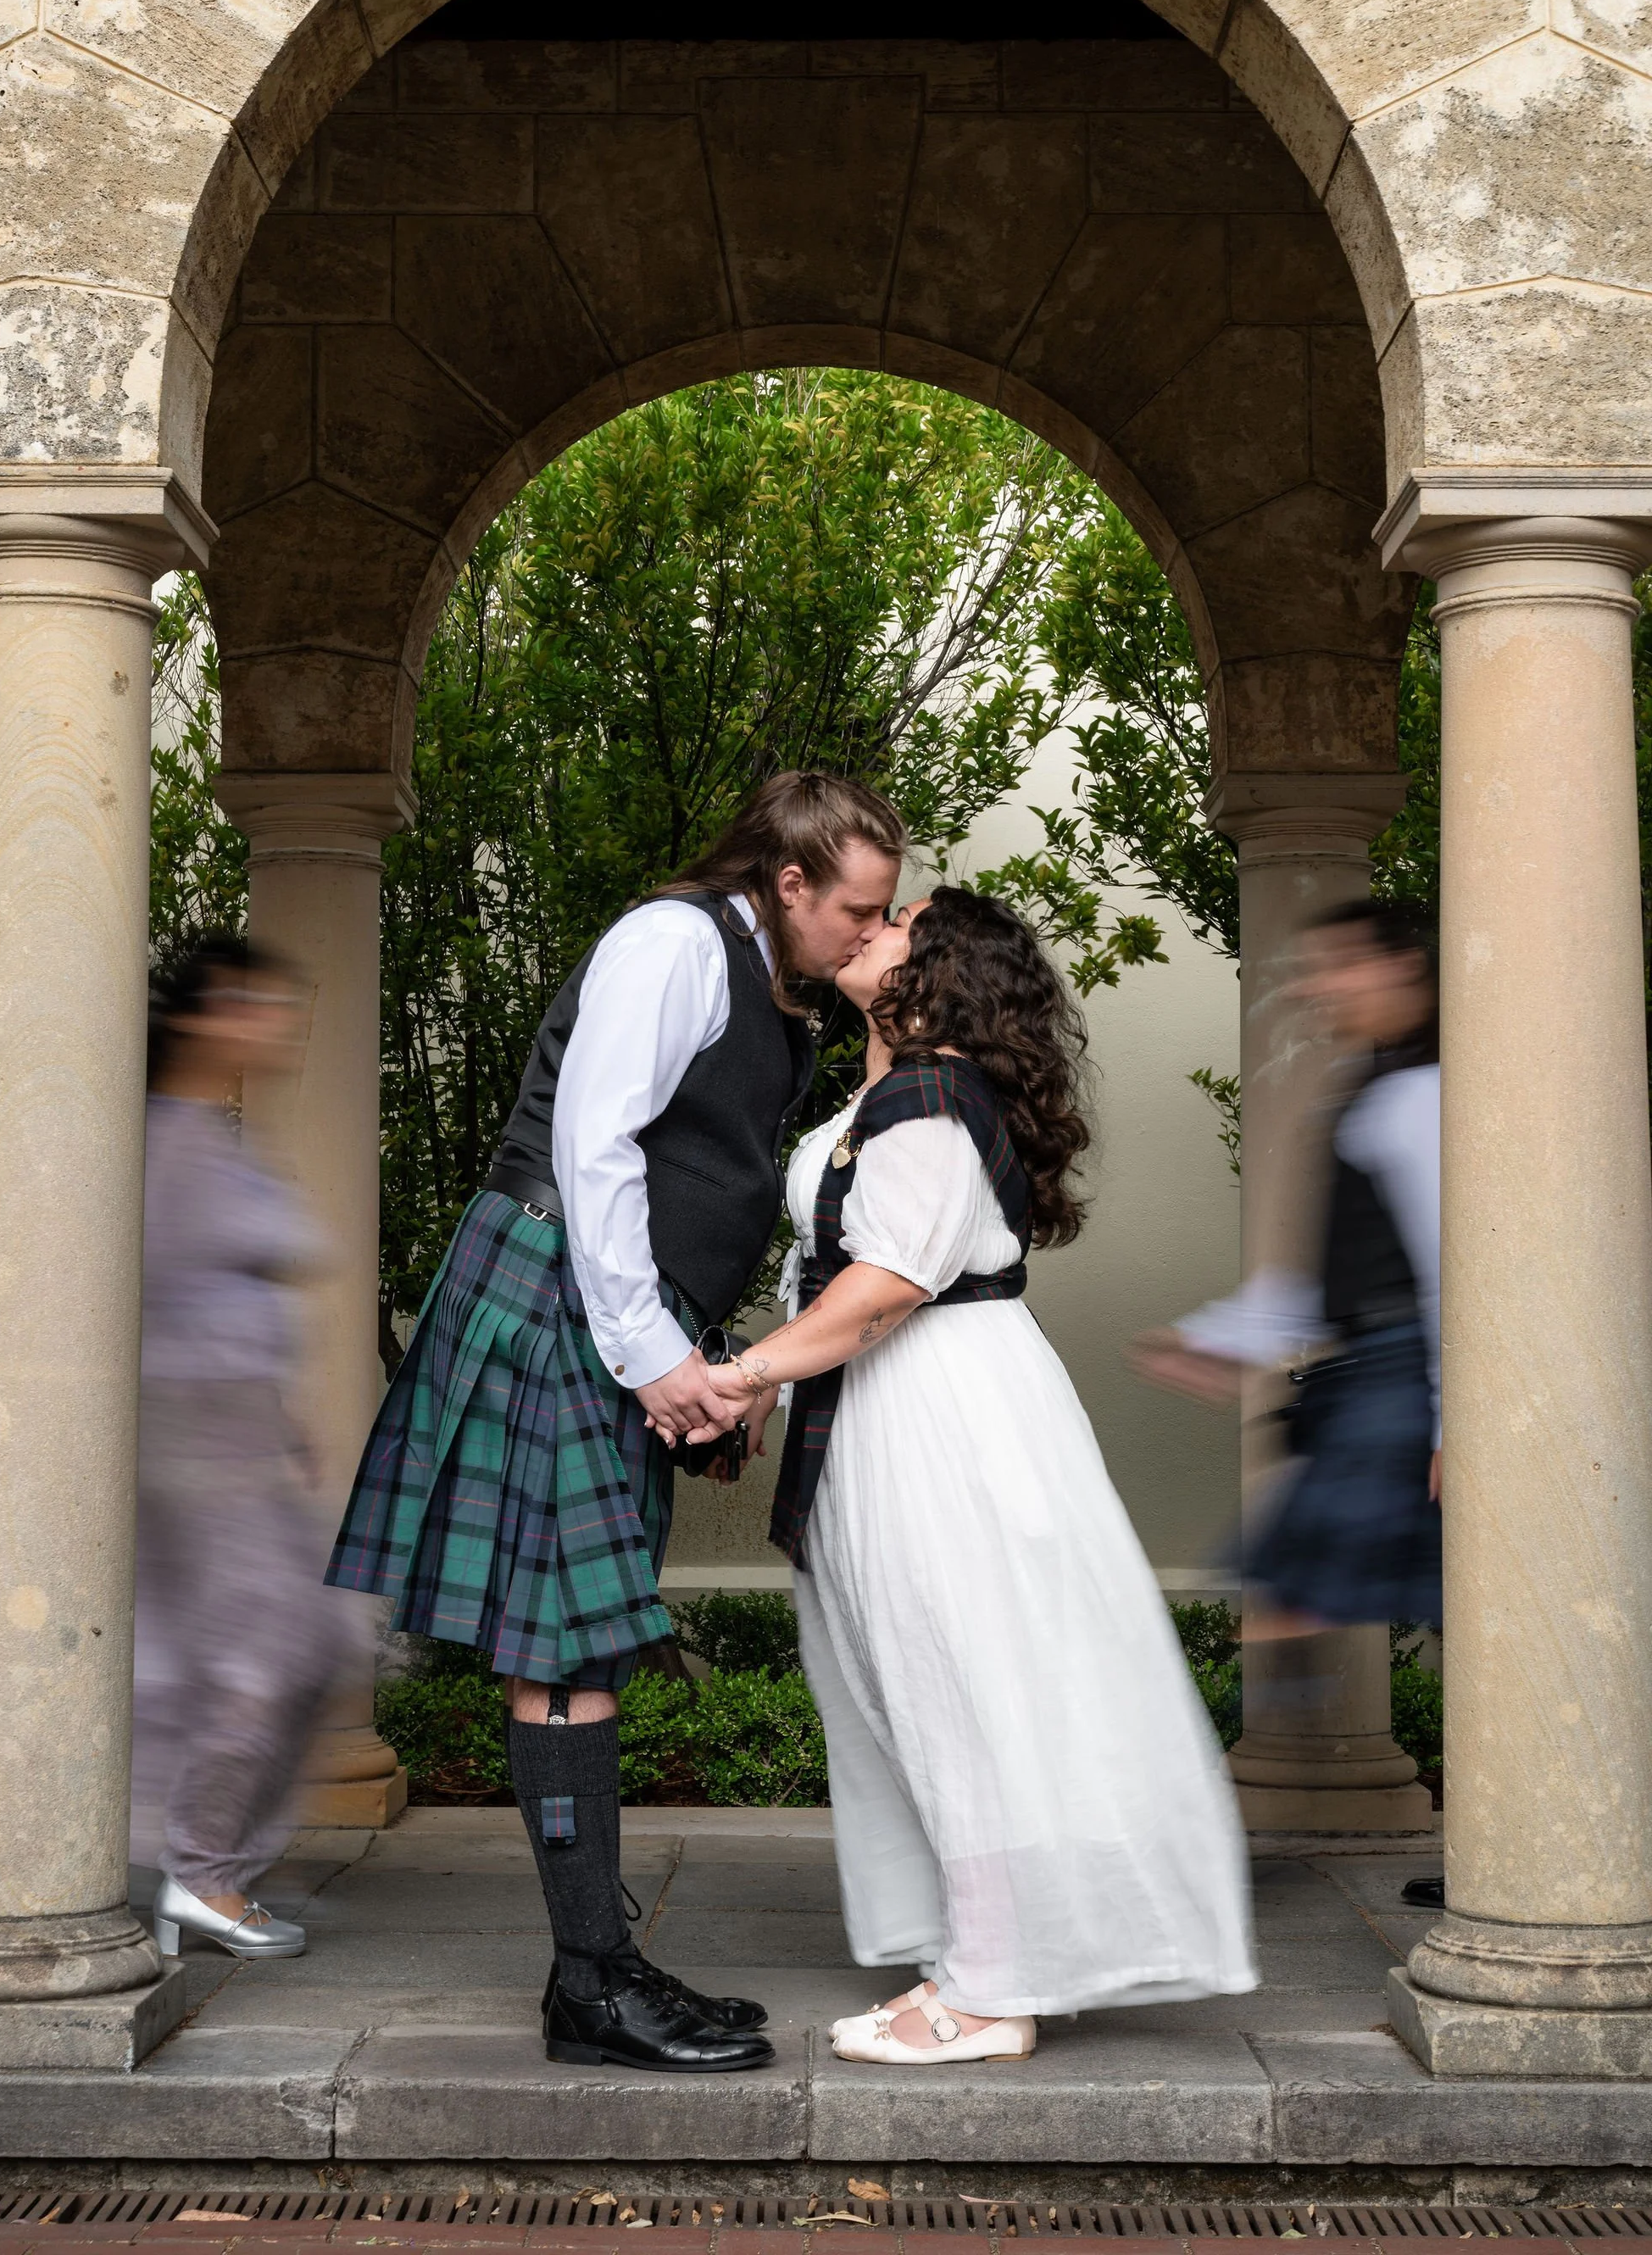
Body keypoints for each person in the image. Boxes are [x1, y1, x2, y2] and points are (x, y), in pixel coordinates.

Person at [328, 770, 905, 2071]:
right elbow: (595, 1150)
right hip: (553, 1289)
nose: (869, 935)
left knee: (578, 1639)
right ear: (790, 880)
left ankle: (599, 1970)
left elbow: (692, 1179)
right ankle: (592, 1986)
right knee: (568, 1644)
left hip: (610, 1309)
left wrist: (706, 1359)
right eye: (857, 910)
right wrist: (656, 1361)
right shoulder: (672, 944)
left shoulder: (776, 987)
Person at [704, 887, 1256, 2065]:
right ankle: (982, 1957)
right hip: (894, 1409)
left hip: (938, 1416)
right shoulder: (893, 1093)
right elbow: (839, 1275)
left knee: (964, 1683)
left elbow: (889, 1285)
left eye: (899, 919)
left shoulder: (933, 1100)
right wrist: (779, 1372)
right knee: (925, 1684)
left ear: (949, 967)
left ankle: (992, 1993)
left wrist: (745, 1376)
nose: (871, 924)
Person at [1126, 897, 1443, 1907]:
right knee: (1318, 1593)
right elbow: (1321, 1280)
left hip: (1402, 1378)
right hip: (1372, 1372)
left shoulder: (1428, 1093)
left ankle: (1176, 1839)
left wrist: (1456, 1419)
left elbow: (1453, 1268)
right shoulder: (1368, 1087)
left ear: (1407, 969)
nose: (1315, 985)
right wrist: (1220, 1340)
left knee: (1291, 1590)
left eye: (1339, 964)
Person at [135, 937, 350, 1960]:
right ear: (211, 1012)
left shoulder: (215, 1134)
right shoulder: (158, 1142)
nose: (287, 1028)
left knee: (289, 1651)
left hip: (235, 1437)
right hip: (185, 1440)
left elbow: (228, 1296)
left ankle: (201, 1865)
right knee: (263, 1655)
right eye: (267, 1007)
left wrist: (280, 1415)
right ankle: (200, 1874)